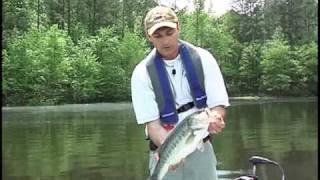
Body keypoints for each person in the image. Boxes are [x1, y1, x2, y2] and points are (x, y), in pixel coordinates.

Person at [131, 5, 230, 180]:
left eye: (169, 33)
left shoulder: (203, 58)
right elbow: (152, 125)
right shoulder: (141, 74)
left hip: (202, 146)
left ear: (178, 28)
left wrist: (216, 118)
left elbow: (218, 105)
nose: (165, 41)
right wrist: (171, 152)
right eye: (158, 36)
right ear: (149, 37)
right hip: (163, 148)